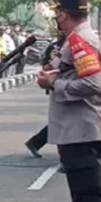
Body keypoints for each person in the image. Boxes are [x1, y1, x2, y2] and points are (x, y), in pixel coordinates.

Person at [36, 0, 101, 202]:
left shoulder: (79, 40)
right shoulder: (75, 40)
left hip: (80, 131)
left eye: (58, 14)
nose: (57, 19)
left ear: (64, 14)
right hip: (77, 130)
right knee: (85, 199)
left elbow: (93, 83)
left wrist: (54, 81)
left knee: (87, 200)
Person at [25, 30, 67, 158]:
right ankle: (64, 157)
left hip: (63, 83)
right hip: (59, 83)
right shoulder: (61, 47)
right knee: (64, 121)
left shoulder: (69, 45)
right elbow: (46, 65)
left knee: (62, 120)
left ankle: (35, 142)